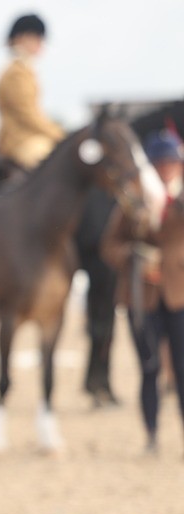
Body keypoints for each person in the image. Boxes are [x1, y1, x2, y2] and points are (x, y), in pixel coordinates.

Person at [100, 128, 184, 454]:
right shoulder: (133, 202)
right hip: (142, 297)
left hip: (178, 294)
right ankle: (151, 434)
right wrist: (134, 257)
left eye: (172, 163)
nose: (167, 169)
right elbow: (109, 245)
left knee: (182, 369)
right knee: (149, 368)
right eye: (161, 163)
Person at [0, 13, 64, 170]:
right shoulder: (16, 74)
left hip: (30, 136)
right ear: (22, 38)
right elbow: (27, 114)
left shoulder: (26, 71)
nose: (41, 44)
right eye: (37, 39)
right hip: (19, 140)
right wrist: (57, 134)